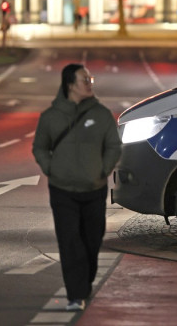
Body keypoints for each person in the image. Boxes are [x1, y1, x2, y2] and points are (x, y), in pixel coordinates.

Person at [32, 64, 121, 311]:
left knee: (92, 240)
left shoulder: (101, 114)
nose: (89, 82)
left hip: (94, 189)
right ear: (70, 85)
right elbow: (40, 147)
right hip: (63, 191)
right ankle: (75, 293)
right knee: (69, 241)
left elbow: (114, 145)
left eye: (90, 78)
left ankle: (85, 280)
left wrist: (102, 170)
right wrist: (52, 169)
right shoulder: (51, 116)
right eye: (85, 79)